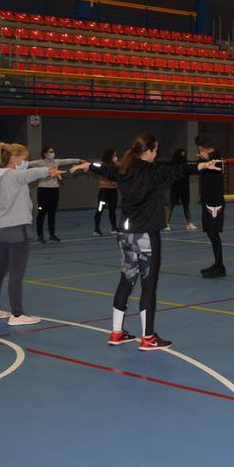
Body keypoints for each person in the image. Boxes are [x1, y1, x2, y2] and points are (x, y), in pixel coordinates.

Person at [75, 133, 220, 351]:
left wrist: (88, 165)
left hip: (125, 235)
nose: (157, 153)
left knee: (126, 280)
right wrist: (201, 166)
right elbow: (177, 170)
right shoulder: (152, 171)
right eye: (156, 150)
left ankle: (116, 332)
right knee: (148, 285)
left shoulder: (123, 168)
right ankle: (148, 338)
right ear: (150, 151)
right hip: (146, 236)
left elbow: (105, 168)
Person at [0, 143, 67, 326]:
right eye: (24, 158)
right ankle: (17, 314)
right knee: (16, 274)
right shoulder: (15, 176)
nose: (26, 162)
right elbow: (33, 173)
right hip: (17, 229)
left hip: (0, 230)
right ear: (14, 158)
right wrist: (50, 171)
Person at [193, 135, 229, 278]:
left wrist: (205, 159)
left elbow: (213, 169)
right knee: (210, 232)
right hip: (209, 199)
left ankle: (220, 267)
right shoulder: (209, 157)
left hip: (214, 201)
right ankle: (217, 264)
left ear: (202, 146)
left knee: (213, 233)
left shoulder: (216, 157)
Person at [31, 145, 83, 243]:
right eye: (50, 152)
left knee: (52, 213)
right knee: (41, 212)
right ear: (45, 154)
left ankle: (52, 234)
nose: (52, 153)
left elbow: (68, 160)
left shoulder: (56, 162)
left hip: (54, 190)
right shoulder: (39, 162)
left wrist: (80, 160)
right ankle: (40, 235)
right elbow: (26, 164)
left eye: (53, 151)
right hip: (43, 190)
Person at [163, 149, 197, 232]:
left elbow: (194, 170)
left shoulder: (187, 164)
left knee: (186, 206)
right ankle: (166, 224)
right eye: (181, 154)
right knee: (171, 206)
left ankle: (189, 223)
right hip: (175, 187)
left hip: (185, 188)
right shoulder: (173, 164)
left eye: (184, 154)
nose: (183, 155)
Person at [92, 148, 120, 236]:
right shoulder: (101, 165)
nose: (116, 157)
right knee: (100, 209)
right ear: (110, 155)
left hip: (113, 191)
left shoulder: (116, 165)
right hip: (103, 192)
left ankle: (114, 228)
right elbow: (92, 165)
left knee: (112, 210)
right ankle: (96, 229)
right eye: (114, 155)